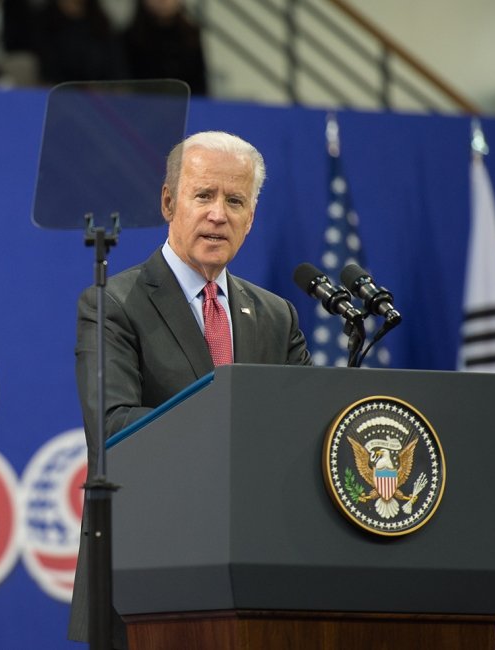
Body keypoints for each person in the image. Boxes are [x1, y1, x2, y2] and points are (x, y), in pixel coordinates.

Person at [69, 131, 312, 645]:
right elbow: (114, 430)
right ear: (167, 201)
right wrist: (232, 424)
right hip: (149, 575)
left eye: (235, 200)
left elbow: (302, 430)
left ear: (252, 217)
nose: (218, 214)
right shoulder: (113, 303)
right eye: (203, 195)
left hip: (258, 577)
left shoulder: (276, 315)